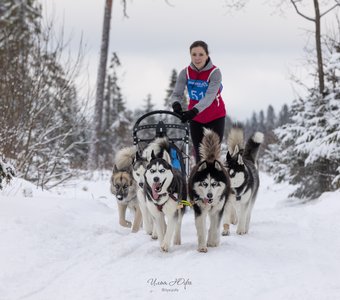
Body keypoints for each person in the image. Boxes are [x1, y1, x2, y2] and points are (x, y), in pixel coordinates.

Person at [171, 40, 226, 163]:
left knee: (213, 156)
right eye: (194, 54)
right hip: (196, 119)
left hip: (215, 117)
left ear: (207, 55)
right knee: (199, 155)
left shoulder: (215, 72)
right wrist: (176, 105)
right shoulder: (185, 73)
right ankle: (200, 181)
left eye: (201, 54)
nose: (197, 58)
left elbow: (209, 97)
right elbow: (176, 94)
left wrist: (193, 111)